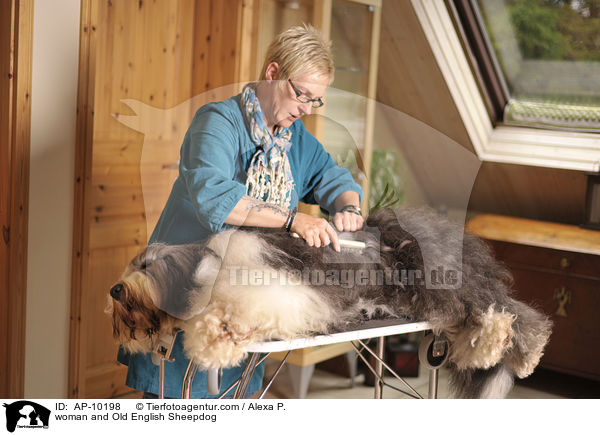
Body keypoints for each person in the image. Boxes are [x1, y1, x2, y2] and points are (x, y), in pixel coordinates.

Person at [117, 23, 364, 398]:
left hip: (239, 304)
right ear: (273, 73)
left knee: (237, 404)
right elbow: (216, 197)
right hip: (181, 293)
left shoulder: (296, 142)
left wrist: (349, 207)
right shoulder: (216, 123)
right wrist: (292, 219)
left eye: (316, 100)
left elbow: (335, 179)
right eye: (302, 95)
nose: (307, 109)